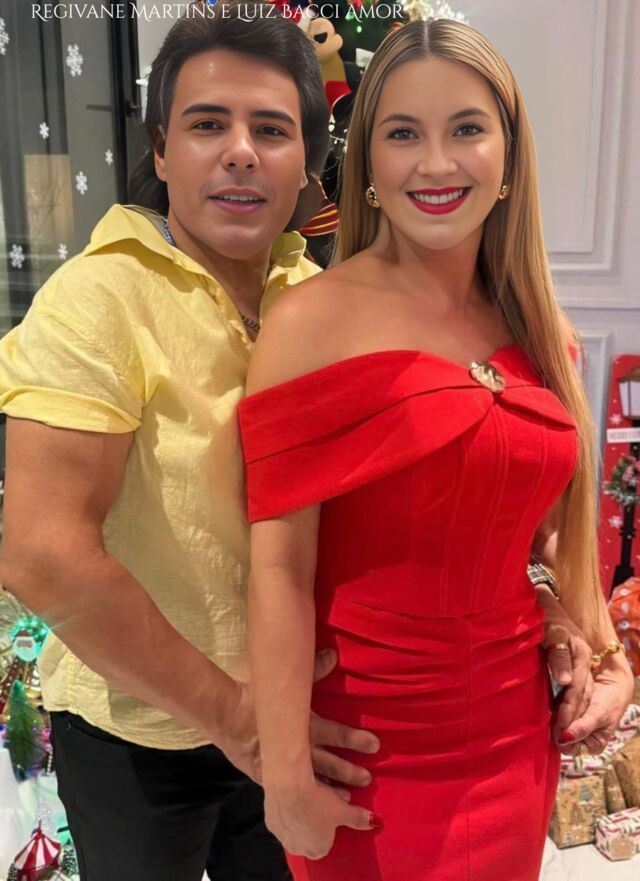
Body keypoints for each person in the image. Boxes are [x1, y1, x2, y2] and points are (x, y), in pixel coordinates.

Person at [238, 17, 635, 881]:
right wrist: (285, 771)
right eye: (403, 134)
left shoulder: (541, 332)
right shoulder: (307, 323)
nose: (437, 163)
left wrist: (605, 652)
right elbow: (278, 569)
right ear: (369, 165)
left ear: (508, 155)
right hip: (365, 753)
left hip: (513, 735)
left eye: (466, 129)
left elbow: (548, 532)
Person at [0, 7, 382, 881]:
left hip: (298, 713)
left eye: (271, 130)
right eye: (208, 125)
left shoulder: (315, 299)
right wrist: (238, 715)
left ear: (308, 162)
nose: (240, 152)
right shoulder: (98, 298)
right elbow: (42, 552)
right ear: (162, 151)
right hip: (139, 736)